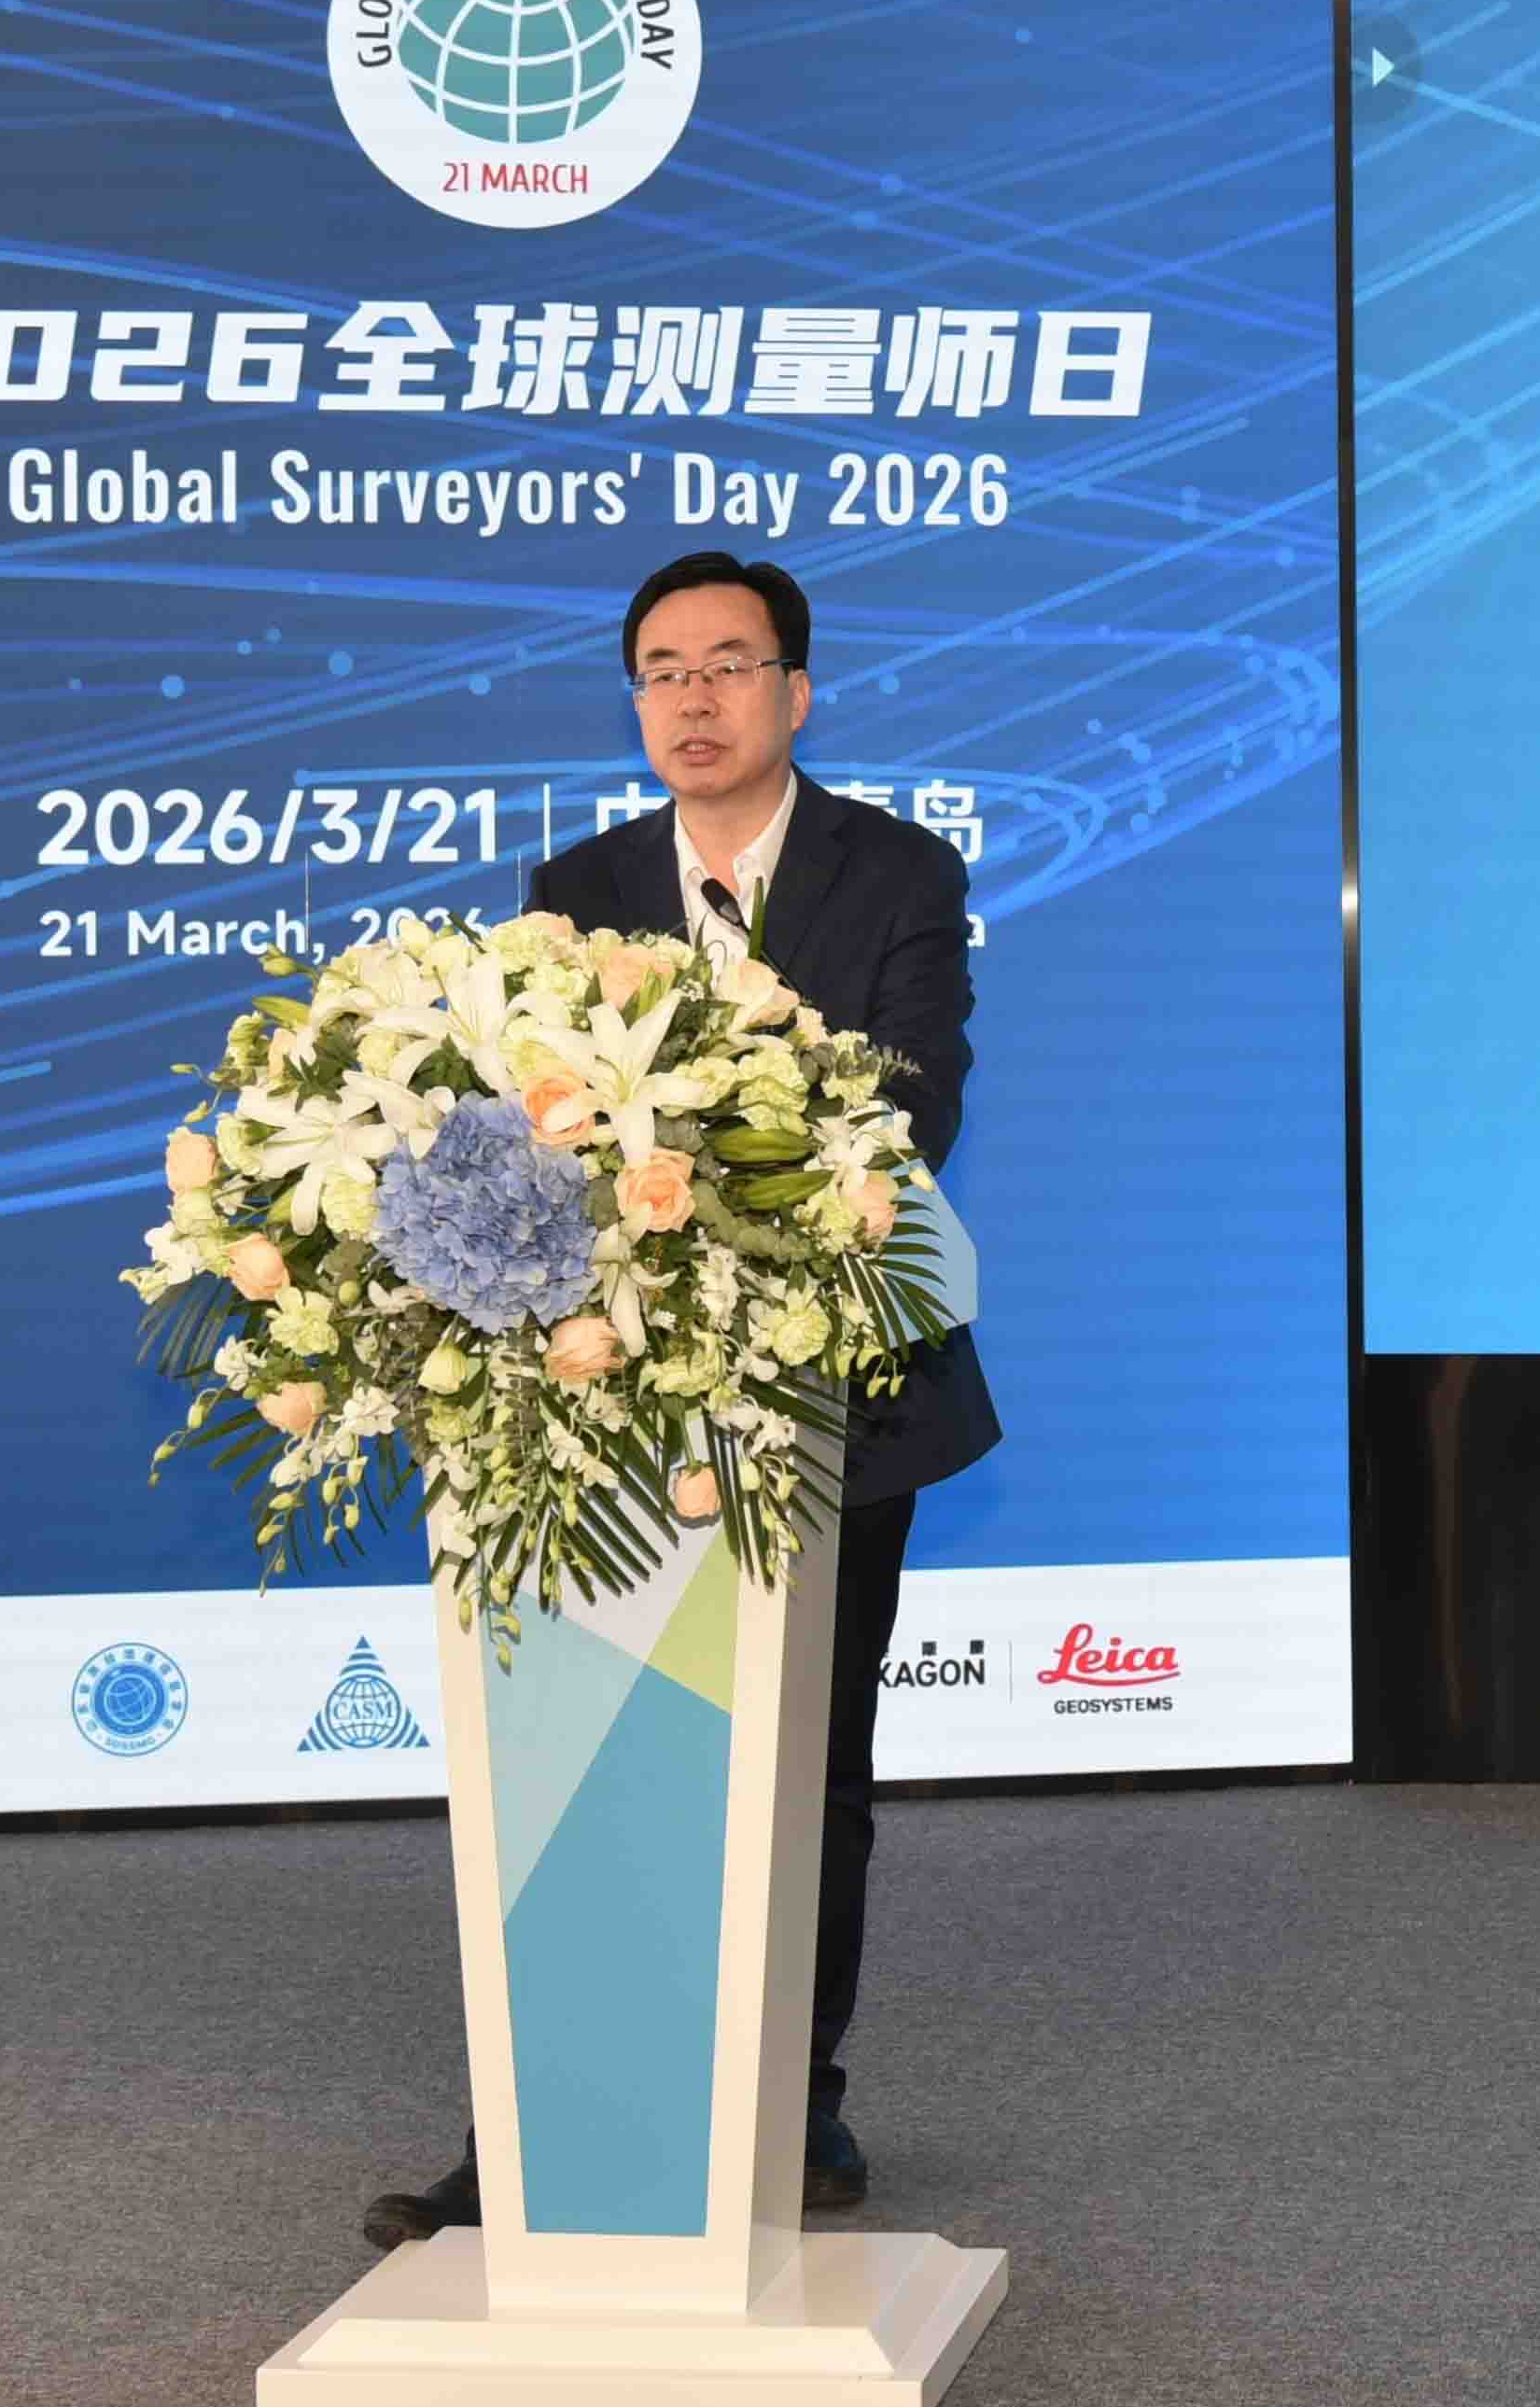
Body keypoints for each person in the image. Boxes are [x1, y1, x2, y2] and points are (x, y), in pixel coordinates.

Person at [362, 550, 1002, 2245]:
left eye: (729, 662)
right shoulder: (575, 885)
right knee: (588, 1750)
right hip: (600, 1395)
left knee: (813, 1761)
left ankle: (798, 2098)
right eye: (662, 669)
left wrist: (701, 1155)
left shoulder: (898, 869)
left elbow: (913, 1109)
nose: (694, 697)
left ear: (797, 689)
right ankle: (543, 2134)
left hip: (834, 1382)